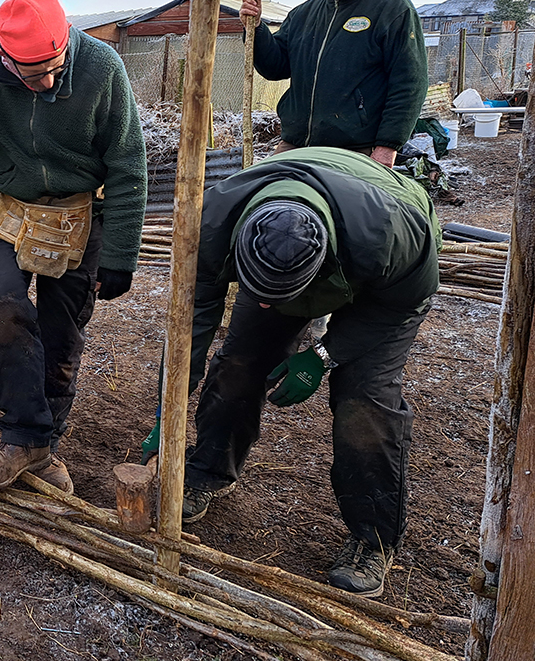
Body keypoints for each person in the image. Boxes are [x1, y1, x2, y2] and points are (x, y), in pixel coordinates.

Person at [183, 147, 441, 597]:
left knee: (365, 398)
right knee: (239, 363)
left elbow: (399, 307)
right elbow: (195, 317)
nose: (264, 304)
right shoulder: (215, 220)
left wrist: (323, 356)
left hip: (383, 291)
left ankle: (372, 538)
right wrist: (172, 399)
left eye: (276, 295)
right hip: (314, 238)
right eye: (256, 290)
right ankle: (207, 470)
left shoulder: (392, 233)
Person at [0, 0, 147, 495]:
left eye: (53, 66)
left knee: (60, 335)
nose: (45, 80)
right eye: (31, 72)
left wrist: (121, 254)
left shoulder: (102, 68)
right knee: (2, 310)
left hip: (77, 211)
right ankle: (23, 437)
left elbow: (129, 162)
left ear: (65, 40)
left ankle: (46, 444)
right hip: (12, 204)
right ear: (5, 57)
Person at [241, 0, 427, 168]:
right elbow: (275, 67)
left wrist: (387, 147)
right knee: (265, 195)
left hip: (358, 148)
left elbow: (409, 82)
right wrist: (255, 29)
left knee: (349, 207)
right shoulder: (304, 14)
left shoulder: (392, 9)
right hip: (297, 143)